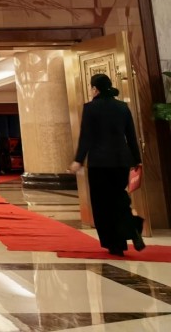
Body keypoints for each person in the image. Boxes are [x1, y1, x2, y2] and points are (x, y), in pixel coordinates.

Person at [69, 73, 145, 256]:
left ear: (95, 89)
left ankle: (114, 244)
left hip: (99, 163)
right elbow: (131, 135)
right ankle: (132, 228)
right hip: (121, 161)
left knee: (102, 204)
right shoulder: (122, 107)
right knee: (119, 199)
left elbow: (86, 137)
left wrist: (78, 160)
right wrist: (137, 159)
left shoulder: (90, 108)